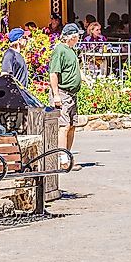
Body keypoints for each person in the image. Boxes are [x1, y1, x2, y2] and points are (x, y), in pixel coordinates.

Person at [48, 24, 84, 170]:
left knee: (71, 126)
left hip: (72, 94)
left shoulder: (71, 50)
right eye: (77, 36)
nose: (79, 38)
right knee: (63, 126)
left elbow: (74, 70)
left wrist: (83, 78)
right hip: (63, 93)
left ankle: (68, 157)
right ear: (72, 36)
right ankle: (63, 160)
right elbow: (53, 73)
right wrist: (56, 95)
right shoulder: (60, 50)